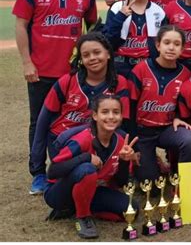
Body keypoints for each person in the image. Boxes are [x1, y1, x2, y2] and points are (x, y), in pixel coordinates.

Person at [12, 0, 98, 194]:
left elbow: (93, 28)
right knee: (38, 123)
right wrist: (27, 62)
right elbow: (21, 25)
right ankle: (38, 173)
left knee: (71, 123)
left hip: (72, 73)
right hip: (40, 71)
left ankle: (62, 170)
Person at [30, 32, 130, 194]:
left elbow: (121, 122)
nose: (92, 58)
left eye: (97, 52)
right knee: (78, 175)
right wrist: (37, 168)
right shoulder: (67, 81)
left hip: (98, 140)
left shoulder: (119, 84)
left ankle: (107, 179)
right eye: (86, 55)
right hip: (63, 142)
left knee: (118, 135)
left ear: (108, 54)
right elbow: (42, 122)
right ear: (81, 60)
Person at [44, 94, 138, 239]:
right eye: (105, 112)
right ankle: (82, 217)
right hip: (58, 194)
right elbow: (52, 171)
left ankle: (76, 208)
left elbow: (120, 183)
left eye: (116, 112)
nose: (111, 117)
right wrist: (86, 157)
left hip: (92, 190)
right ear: (95, 115)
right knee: (87, 169)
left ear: (121, 117)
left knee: (132, 209)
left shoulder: (120, 142)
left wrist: (124, 161)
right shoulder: (82, 139)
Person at [128, 25, 191, 190]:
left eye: (176, 44)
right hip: (142, 133)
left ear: (182, 49)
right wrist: (134, 144)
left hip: (167, 129)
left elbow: (184, 105)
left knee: (190, 140)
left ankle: (183, 184)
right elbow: (130, 108)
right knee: (152, 188)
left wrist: (178, 117)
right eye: (167, 42)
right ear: (158, 45)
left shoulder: (185, 74)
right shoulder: (141, 69)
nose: (171, 47)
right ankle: (152, 164)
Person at [103, 0, 167, 78]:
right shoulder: (117, 8)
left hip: (148, 69)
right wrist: (120, 17)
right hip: (120, 69)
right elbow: (108, 42)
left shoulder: (158, 12)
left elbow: (161, 47)